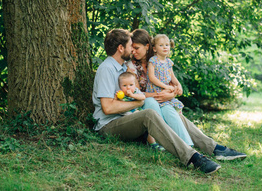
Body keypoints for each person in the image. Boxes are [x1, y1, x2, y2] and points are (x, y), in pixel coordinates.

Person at [93, 29, 222, 173]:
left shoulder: (123, 67)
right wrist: (139, 103)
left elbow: (136, 94)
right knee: (149, 114)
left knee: (170, 111)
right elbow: (107, 108)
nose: (132, 50)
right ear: (120, 48)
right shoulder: (106, 69)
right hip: (109, 125)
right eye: (130, 46)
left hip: (127, 118)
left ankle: (213, 148)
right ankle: (193, 158)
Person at [127, 28, 247, 161]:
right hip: (146, 107)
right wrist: (160, 95)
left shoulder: (159, 60)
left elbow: (174, 85)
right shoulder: (131, 66)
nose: (133, 51)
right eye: (131, 48)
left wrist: (172, 93)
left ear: (148, 46)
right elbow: (137, 94)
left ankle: (206, 148)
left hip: (162, 102)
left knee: (173, 114)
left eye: (136, 48)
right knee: (169, 113)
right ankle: (209, 148)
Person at [117, 72, 165, 151]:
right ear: (120, 86)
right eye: (124, 86)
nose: (128, 88)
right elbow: (116, 105)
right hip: (127, 117)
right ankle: (151, 142)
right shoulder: (120, 94)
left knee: (150, 125)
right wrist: (116, 98)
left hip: (138, 113)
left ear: (135, 85)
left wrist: (132, 95)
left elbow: (142, 97)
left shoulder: (136, 92)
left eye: (131, 85)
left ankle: (153, 144)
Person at [146, 34, 184, 111]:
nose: (165, 47)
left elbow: (172, 77)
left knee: (177, 109)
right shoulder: (153, 61)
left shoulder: (169, 62)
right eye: (161, 45)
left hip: (166, 92)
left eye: (167, 45)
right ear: (154, 49)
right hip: (156, 91)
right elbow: (152, 77)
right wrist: (165, 86)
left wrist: (178, 85)